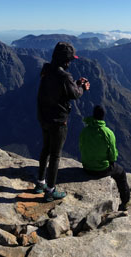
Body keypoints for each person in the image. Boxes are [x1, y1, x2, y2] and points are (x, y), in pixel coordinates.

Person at [35, 41, 90, 201]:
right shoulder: (64, 76)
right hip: (58, 120)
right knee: (55, 155)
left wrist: (75, 85)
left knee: (45, 148)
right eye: (69, 59)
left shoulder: (46, 70)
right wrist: (82, 87)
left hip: (43, 116)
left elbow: (61, 91)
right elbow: (74, 94)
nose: (70, 62)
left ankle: (40, 183)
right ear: (65, 60)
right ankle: (50, 191)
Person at [79, 104, 130, 211]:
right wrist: (111, 162)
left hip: (87, 168)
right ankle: (125, 202)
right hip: (102, 170)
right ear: (103, 116)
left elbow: (81, 147)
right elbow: (112, 154)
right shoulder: (107, 133)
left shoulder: (85, 131)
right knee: (121, 173)